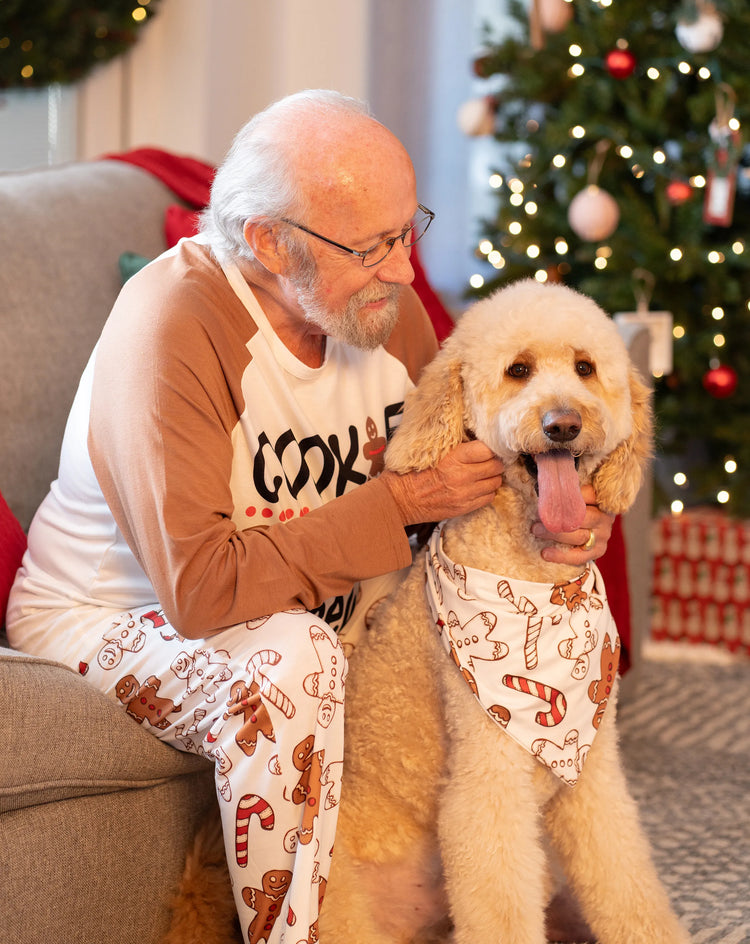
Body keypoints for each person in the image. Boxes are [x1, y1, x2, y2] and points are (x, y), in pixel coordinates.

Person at [7, 89, 612, 942]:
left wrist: (561, 519)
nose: (405, 273)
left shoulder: (374, 311)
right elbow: (202, 589)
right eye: (371, 246)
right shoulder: (173, 327)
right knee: (297, 656)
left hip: (314, 607)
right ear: (266, 241)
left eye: (409, 232)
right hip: (111, 618)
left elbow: (477, 472)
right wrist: (398, 503)